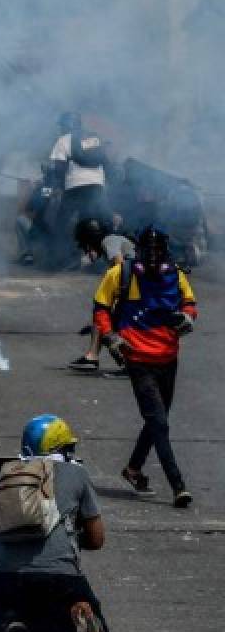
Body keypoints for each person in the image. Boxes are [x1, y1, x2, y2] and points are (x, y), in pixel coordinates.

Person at [0, 415, 108, 632]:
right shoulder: (77, 475)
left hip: (3, 577)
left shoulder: (0, 478)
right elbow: (97, 539)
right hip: (59, 575)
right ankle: (78, 614)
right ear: (61, 449)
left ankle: (14, 624)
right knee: (74, 614)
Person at [94, 225, 196, 507]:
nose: (152, 259)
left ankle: (133, 470)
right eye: (147, 253)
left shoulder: (175, 276)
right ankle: (178, 485)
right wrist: (110, 336)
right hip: (137, 358)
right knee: (160, 423)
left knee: (156, 421)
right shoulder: (121, 274)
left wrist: (188, 319)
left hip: (168, 358)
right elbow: (101, 306)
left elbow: (189, 303)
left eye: (156, 253)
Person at [67, 218, 135, 372]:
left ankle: (129, 361)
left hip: (138, 288)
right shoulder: (113, 240)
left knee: (103, 309)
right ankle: (92, 357)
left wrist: (118, 299)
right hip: (139, 285)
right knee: (101, 311)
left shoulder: (108, 241)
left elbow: (120, 267)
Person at [50, 113, 109, 265]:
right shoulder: (93, 138)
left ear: (65, 125)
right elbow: (105, 161)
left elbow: (59, 169)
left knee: (61, 223)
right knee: (94, 222)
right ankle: (100, 261)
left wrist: (58, 188)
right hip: (96, 185)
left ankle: (62, 261)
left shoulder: (63, 140)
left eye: (61, 125)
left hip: (75, 186)